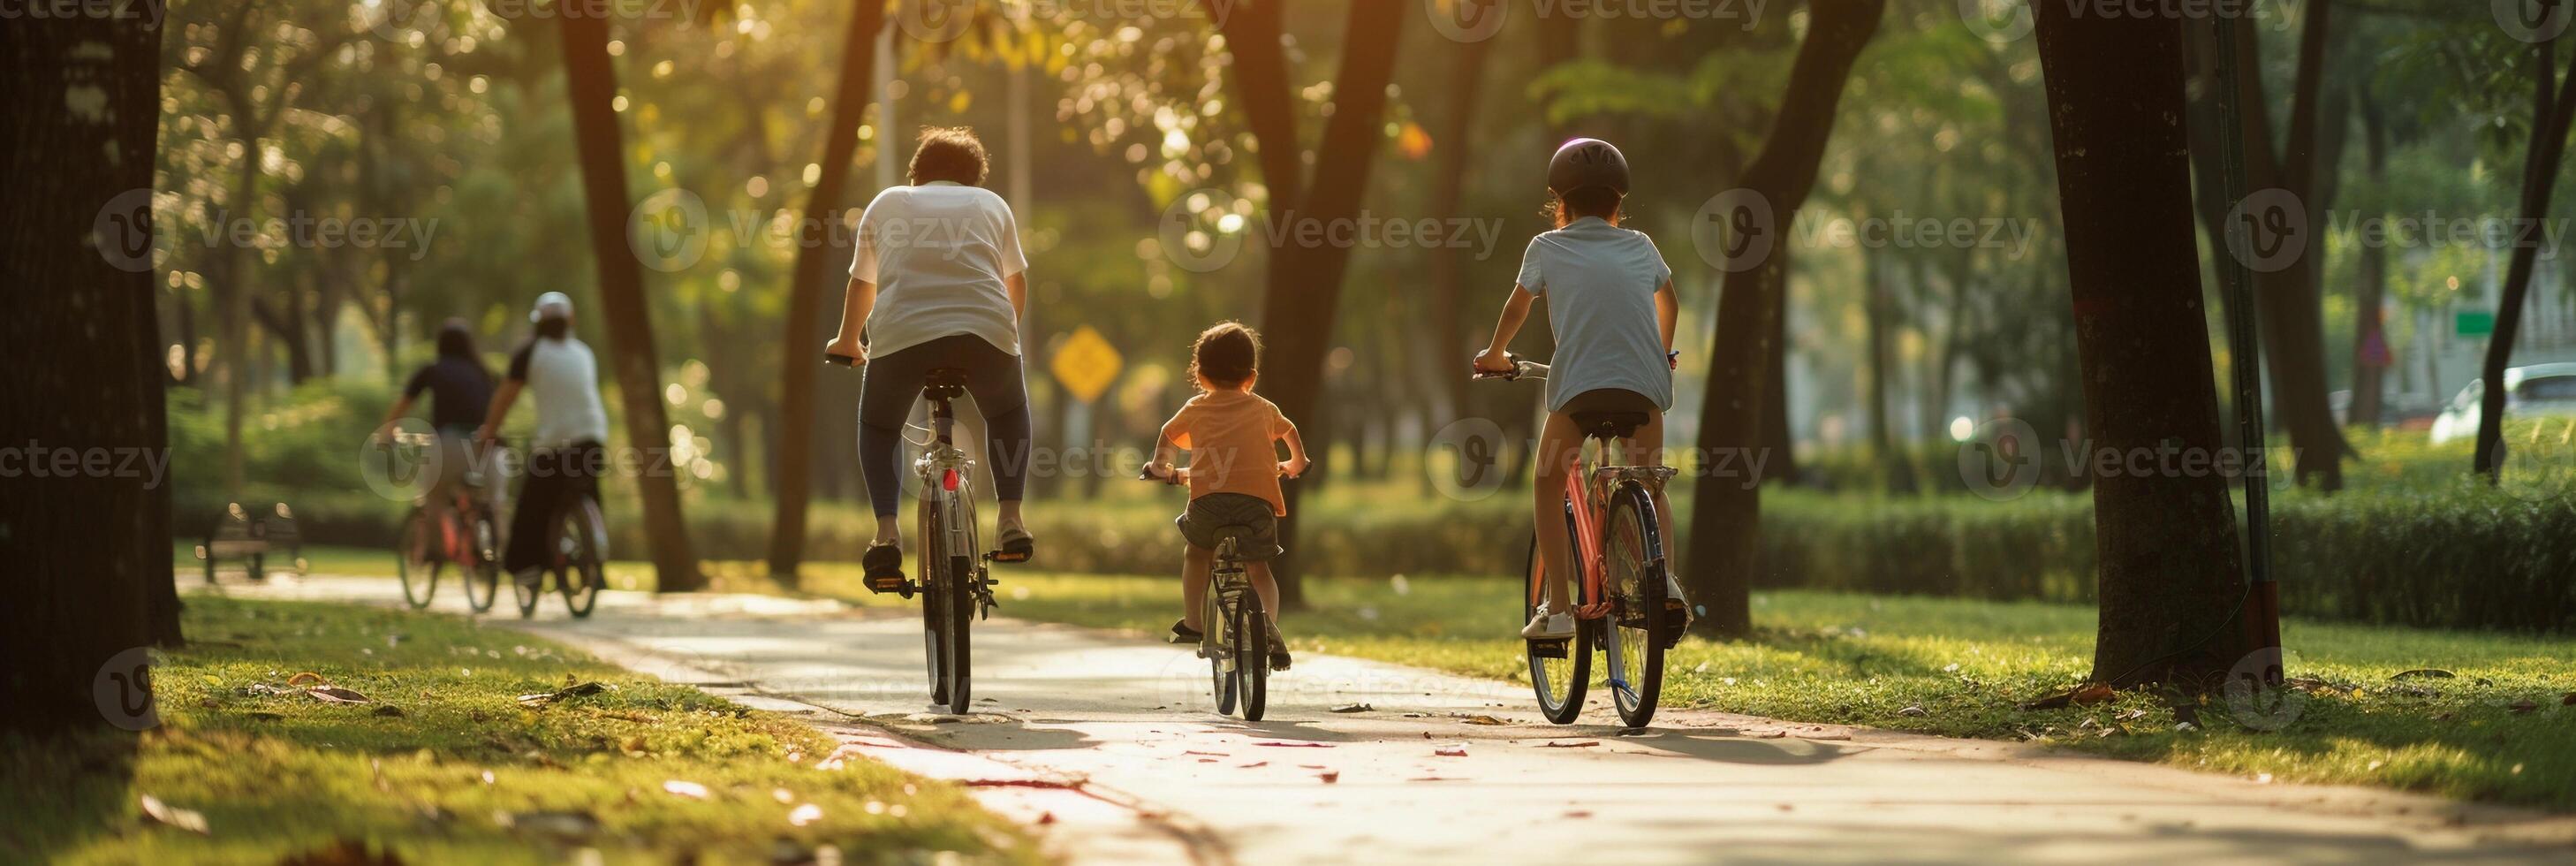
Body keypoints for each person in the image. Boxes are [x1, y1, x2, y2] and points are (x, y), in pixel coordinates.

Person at [1473, 138, 1684, 640]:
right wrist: (1662, 354)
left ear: (1561, 205)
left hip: (1580, 389)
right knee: (1650, 483)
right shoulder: (1641, 245)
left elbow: (1518, 307)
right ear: (1618, 205)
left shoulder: (1547, 246)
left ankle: (1560, 607)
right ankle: (1668, 583)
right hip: (1644, 384)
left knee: (1548, 479)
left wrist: (1496, 354)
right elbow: (1670, 303)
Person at [825, 126, 1036, 587]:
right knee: (1007, 411)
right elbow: (1015, 281)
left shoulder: (887, 203)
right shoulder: (992, 205)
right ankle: (1011, 519)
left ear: (916, 172)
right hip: (986, 333)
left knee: (879, 426)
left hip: (903, 336)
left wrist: (848, 341)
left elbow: (864, 283)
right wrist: (1005, 335)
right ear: (974, 177)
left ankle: (886, 535)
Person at [1144, 322, 1310, 671]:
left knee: (1196, 554)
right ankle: (1268, 630)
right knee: (1260, 569)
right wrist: (1296, 462)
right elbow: (1289, 431)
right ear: (1250, 377)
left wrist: (1161, 466)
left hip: (1209, 503)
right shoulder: (1264, 409)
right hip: (1257, 503)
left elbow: (1168, 435)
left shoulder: (1195, 407)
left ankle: (1193, 622)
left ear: (1200, 376)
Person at [476, 292, 611, 589]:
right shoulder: (584, 352)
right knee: (586, 491)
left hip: (557, 443)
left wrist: (489, 430)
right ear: (570, 320)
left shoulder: (531, 351)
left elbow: (505, 398)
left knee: (532, 507)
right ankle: (595, 565)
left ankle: (528, 569)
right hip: (593, 437)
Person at [377, 319, 494, 551]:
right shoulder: (483, 373)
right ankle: (488, 546)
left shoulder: (432, 370)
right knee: (488, 500)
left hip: (448, 443)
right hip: (486, 445)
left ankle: (434, 551)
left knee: (434, 497)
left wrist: (386, 434)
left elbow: (402, 406)